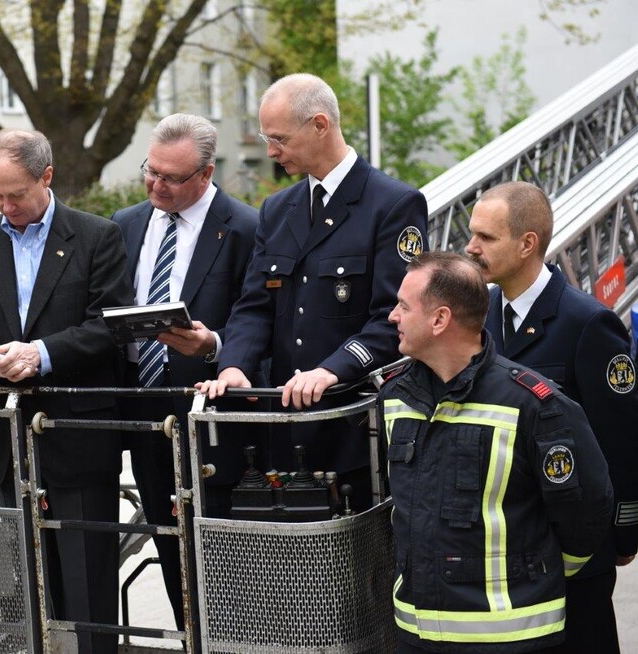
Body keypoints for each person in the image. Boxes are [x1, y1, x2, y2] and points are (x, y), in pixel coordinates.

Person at [199, 73, 428, 508]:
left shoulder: (392, 204)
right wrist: (234, 365)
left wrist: (333, 370)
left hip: (351, 426)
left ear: (320, 125)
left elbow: (396, 317)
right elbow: (254, 306)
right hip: (283, 430)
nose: (270, 151)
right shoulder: (277, 209)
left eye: (279, 138)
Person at [0, 129, 131, 654]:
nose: (6, 207)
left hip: (80, 433)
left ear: (46, 178)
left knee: (90, 588)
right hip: (11, 444)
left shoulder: (97, 236)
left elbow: (110, 327)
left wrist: (40, 354)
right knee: (30, 590)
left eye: (16, 195)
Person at [381, 251, 613, 653]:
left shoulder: (535, 404)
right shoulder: (395, 396)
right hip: (417, 636)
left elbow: (587, 508)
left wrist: (540, 577)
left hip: (511, 639)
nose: (392, 317)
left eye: (403, 306)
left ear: (440, 320)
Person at [465, 181, 638, 653]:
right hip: (509, 548)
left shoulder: (586, 323)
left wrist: (624, 531)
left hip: (576, 548)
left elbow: (620, 439)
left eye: (486, 237)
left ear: (527, 244)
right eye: (472, 234)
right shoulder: (481, 320)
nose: (471, 248)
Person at [111, 113, 260, 628]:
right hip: (143, 410)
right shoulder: (125, 223)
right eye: (150, 172)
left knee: (223, 550)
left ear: (206, 173)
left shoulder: (245, 227)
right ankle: (189, 634)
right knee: (167, 540)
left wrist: (213, 345)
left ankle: (230, 638)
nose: (157, 185)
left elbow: (257, 317)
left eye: (171, 177)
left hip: (210, 411)